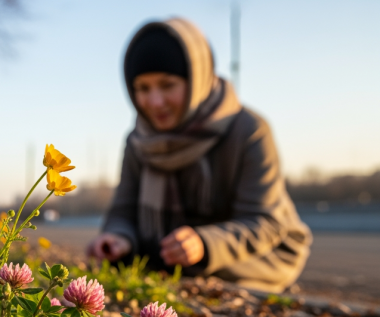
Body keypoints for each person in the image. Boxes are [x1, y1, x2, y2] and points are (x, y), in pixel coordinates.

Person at [87, 18, 311, 293]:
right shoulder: (138, 140)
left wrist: (204, 244)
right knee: (134, 263)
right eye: (143, 89)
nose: (155, 102)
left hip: (248, 255)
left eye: (167, 85)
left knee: (195, 275)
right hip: (168, 252)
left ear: (197, 78)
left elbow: (264, 222)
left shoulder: (250, 130)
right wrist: (119, 237)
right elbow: (123, 210)